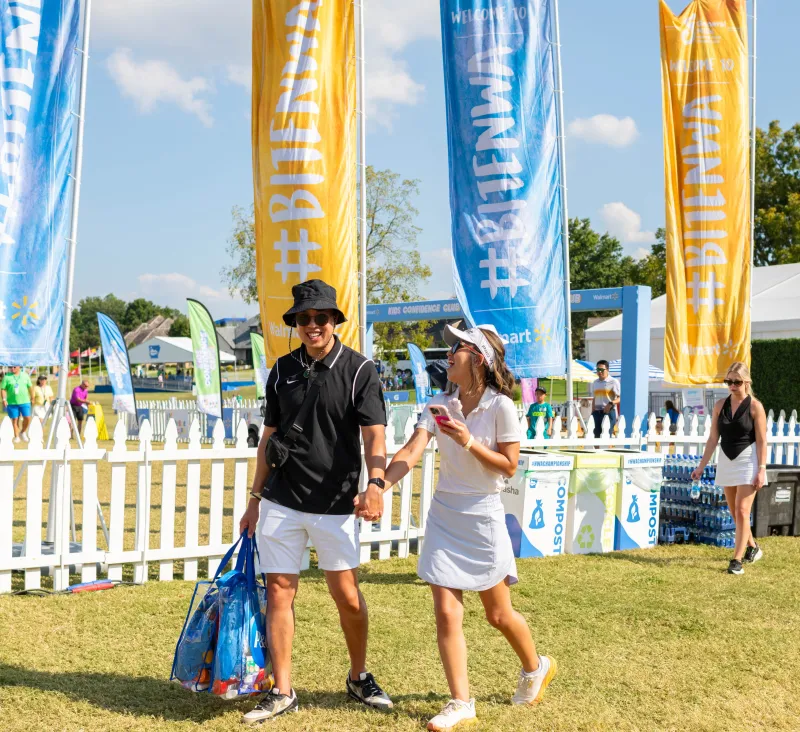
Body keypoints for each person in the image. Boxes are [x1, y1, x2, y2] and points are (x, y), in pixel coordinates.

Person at [383, 324, 557, 731]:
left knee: (498, 615)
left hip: (483, 516)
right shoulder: (439, 402)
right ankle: (460, 701)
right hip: (445, 515)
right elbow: (411, 450)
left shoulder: (501, 407)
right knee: (446, 612)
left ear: (478, 357)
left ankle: (536, 666)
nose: (449, 353)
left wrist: (467, 441)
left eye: (457, 347)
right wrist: (379, 485)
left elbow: (509, 465)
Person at [239, 280, 393, 723]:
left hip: (336, 503)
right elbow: (268, 437)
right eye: (303, 319)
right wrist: (255, 498)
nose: (312, 326)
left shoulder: (360, 370)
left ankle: (359, 675)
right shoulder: (282, 369)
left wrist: (376, 484)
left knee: (347, 596)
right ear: (295, 323)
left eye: (320, 318)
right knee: (280, 592)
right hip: (281, 501)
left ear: (334, 321)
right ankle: (283, 689)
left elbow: (374, 434)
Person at [691, 362, 768, 575]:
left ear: (746, 382)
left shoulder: (755, 407)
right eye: (729, 382)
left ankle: (736, 561)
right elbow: (713, 438)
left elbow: (762, 441)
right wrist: (701, 467)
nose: (732, 386)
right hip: (726, 459)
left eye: (736, 382)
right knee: (735, 512)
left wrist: (761, 469)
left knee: (743, 510)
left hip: (748, 460)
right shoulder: (719, 405)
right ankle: (752, 546)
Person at [0, 365, 34, 443]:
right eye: (10, 367)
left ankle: (23, 432)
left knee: (27, 418)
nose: (12, 368)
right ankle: (16, 436)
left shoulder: (25, 375)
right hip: (12, 403)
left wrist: (32, 397)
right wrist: (4, 399)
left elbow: (30, 387)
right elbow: (3, 389)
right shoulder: (7, 377)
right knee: (15, 419)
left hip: (25, 401)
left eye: (14, 367)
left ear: (19, 367)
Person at [591, 361, 620, 437]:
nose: (599, 372)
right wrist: (593, 411)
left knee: (606, 435)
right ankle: (596, 449)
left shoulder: (613, 381)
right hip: (597, 413)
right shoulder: (595, 382)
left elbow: (621, 397)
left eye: (602, 370)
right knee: (596, 436)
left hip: (608, 412)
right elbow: (594, 397)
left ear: (607, 370)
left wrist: (610, 404)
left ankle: (606, 449)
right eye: (598, 370)